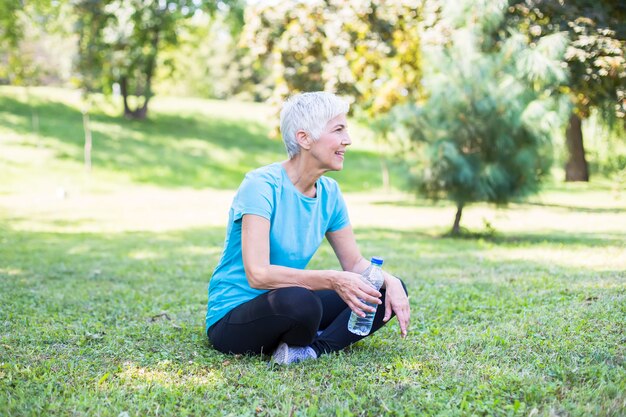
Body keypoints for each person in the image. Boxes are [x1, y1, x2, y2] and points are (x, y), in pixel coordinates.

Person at [205, 91, 410, 365]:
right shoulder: (261, 186)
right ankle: (307, 334)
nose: (347, 140)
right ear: (304, 138)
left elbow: (355, 262)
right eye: (338, 130)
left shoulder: (330, 193)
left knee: (380, 290)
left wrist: (391, 281)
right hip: (233, 316)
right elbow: (258, 274)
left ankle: (311, 350)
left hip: (289, 300)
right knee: (302, 304)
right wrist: (331, 279)